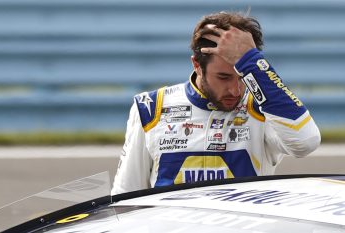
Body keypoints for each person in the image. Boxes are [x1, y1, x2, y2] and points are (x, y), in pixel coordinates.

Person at [111, 11, 321, 195]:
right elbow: (126, 195)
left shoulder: (263, 108)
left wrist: (253, 63)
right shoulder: (151, 108)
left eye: (242, 77)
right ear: (196, 64)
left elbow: (306, 142)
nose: (235, 90)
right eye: (223, 77)